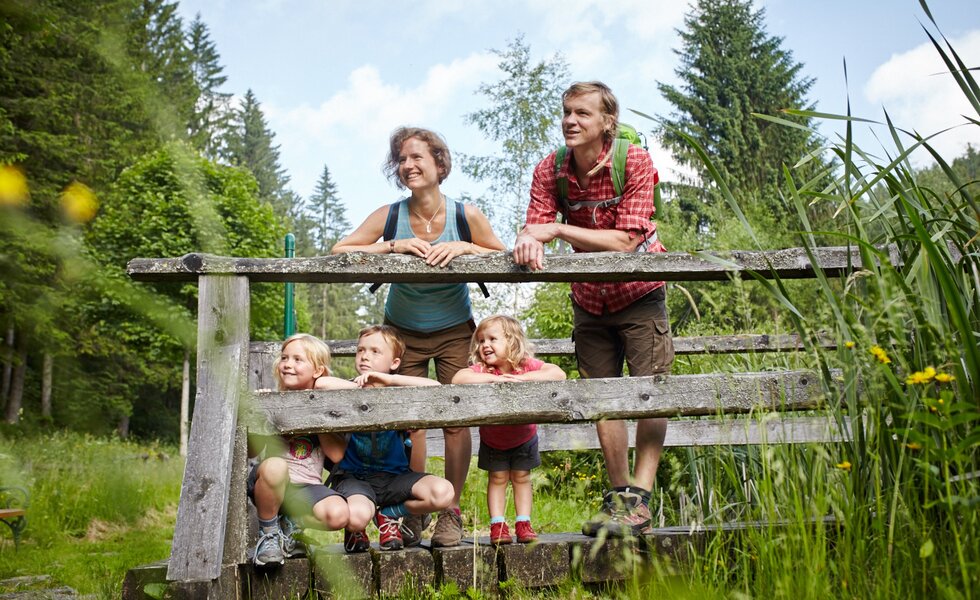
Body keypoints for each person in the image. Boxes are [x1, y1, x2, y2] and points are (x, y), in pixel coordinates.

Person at [512, 81, 675, 538]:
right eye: (566, 112)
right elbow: (535, 226)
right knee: (603, 400)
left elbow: (627, 240)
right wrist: (530, 237)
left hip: (639, 292)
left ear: (607, 122)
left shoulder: (634, 161)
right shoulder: (550, 169)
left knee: (651, 392)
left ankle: (640, 498)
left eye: (582, 113)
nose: (570, 120)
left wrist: (558, 231)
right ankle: (620, 498)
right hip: (588, 298)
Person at [332, 127, 506, 547]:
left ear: (439, 164)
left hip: (452, 331)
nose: (408, 165)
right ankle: (405, 512)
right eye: (402, 160)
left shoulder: (465, 215)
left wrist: (465, 248)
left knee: (455, 419)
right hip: (402, 334)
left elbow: (501, 254)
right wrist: (393, 247)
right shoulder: (391, 215)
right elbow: (340, 250)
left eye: (417, 158)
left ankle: (451, 512)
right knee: (407, 422)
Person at [322, 325, 455, 553]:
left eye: (375, 351)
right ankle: (357, 529)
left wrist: (388, 381)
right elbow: (322, 383)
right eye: (361, 350)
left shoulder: (399, 392)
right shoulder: (346, 389)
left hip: (395, 479)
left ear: (394, 363)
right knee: (355, 518)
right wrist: (361, 388)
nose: (365, 356)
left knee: (443, 493)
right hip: (356, 479)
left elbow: (435, 387)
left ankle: (388, 515)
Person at [452, 315, 565, 545]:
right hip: (493, 439)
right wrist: (489, 380)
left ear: (512, 342)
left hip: (525, 436)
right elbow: (458, 378)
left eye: (492, 339)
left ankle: (523, 523)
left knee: (522, 478)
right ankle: (498, 525)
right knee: (497, 478)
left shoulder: (524, 365)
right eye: (481, 341)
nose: (485, 345)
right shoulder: (483, 369)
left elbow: (558, 373)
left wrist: (524, 379)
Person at [247, 333, 354, 567]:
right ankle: (269, 535)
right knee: (276, 466)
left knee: (339, 514)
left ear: (317, 371)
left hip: (307, 488)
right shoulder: (272, 400)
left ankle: (291, 524)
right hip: (271, 482)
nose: (288, 364)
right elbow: (252, 452)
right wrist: (261, 417)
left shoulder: (326, 406)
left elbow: (337, 455)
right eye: (285, 358)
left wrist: (316, 414)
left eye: (298, 359)